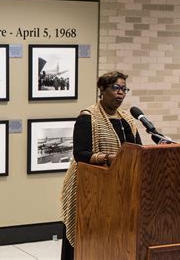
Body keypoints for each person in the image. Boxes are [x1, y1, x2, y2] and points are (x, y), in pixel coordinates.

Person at [60, 71, 142, 260]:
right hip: (90, 189)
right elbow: (80, 154)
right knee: (86, 238)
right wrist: (108, 158)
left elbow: (138, 151)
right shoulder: (88, 118)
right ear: (102, 90)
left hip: (121, 189)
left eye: (124, 89)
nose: (120, 93)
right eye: (116, 88)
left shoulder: (128, 121)